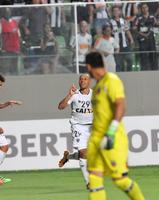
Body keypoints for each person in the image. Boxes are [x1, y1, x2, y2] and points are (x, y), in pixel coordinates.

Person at [85, 51, 145, 200]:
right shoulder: (97, 86)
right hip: (96, 139)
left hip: (112, 138)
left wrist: (110, 132)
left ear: (88, 67)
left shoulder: (111, 80)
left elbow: (120, 106)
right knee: (94, 179)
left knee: (119, 180)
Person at [58, 74, 93, 189]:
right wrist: (69, 95)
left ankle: (67, 157)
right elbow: (60, 107)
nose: (82, 81)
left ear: (89, 82)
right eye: (81, 79)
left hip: (92, 127)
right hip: (78, 126)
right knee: (83, 153)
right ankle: (88, 182)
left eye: (85, 79)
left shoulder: (94, 95)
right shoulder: (75, 95)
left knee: (89, 154)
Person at [134, 3, 159, 71]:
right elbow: (135, 28)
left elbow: (156, 24)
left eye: (146, 7)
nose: (144, 9)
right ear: (141, 9)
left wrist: (157, 24)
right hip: (142, 39)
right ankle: (144, 70)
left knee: (153, 54)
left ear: (148, 8)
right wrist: (142, 34)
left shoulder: (152, 17)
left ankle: (155, 70)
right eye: (143, 8)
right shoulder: (139, 18)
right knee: (143, 55)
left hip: (151, 38)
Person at [110, 5, 134, 72]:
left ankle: (129, 73)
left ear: (120, 12)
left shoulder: (123, 21)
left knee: (130, 60)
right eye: (114, 11)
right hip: (116, 46)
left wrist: (131, 39)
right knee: (118, 63)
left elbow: (127, 30)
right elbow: (109, 34)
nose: (116, 12)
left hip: (125, 44)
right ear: (112, 12)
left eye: (117, 10)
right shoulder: (110, 22)